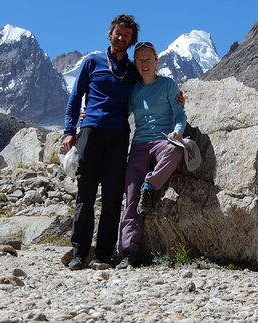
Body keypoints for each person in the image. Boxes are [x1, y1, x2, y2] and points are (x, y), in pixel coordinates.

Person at [63, 15, 184, 270]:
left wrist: (179, 99)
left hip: (119, 136)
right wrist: (69, 130)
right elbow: (75, 98)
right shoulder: (92, 62)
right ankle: (78, 252)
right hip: (90, 132)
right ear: (110, 33)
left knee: (112, 196)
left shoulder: (133, 71)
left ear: (132, 40)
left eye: (127, 35)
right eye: (118, 33)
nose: (121, 38)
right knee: (85, 194)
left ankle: (104, 255)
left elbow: (152, 93)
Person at [116, 42, 187, 269]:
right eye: (140, 60)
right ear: (135, 64)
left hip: (163, 140)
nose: (144, 64)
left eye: (149, 59)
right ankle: (128, 252)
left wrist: (178, 132)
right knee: (130, 199)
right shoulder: (133, 90)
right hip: (138, 146)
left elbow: (180, 115)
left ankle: (150, 185)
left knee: (176, 151)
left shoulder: (168, 85)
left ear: (157, 61)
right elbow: (121, 113)